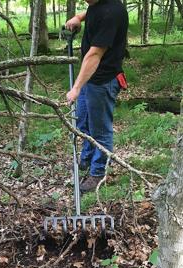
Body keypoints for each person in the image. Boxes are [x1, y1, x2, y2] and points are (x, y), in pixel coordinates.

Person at [66, 0, 128, 193]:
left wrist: (76, 87)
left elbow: (94, 55)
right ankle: (86, 158)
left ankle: (98, 172)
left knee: (100, 131)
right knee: (83, 122)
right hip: (89, 79)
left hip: (102, 80)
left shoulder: (112, 13)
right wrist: (78, 17)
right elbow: (94, 9)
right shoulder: (98, 3)